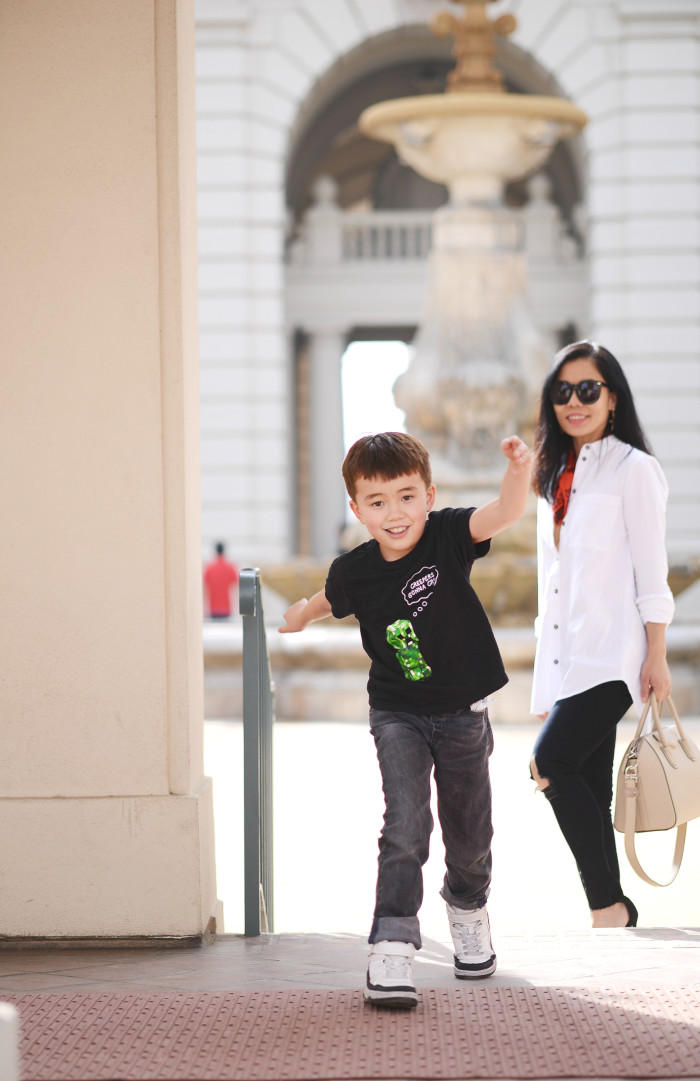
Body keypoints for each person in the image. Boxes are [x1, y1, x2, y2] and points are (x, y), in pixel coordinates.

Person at [279, 430, 531, 1008]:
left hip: (464, 712)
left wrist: (519, 470)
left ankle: (468, 909)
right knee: (405, 825)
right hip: (397, 712)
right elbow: (326, 598)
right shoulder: (355, 570)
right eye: (377, 502)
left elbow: (507, 511)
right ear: (357, 509)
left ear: (429, 494)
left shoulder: (447, 535)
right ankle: (392, 941)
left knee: (469, 835)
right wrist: (299, 614)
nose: (395, 513)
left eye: (407, 496)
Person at [529, 340, 674, 929]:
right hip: (571, 661)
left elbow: (651, 569)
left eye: (588, 389)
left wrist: (657, 654)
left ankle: (608, 907)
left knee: (548, 765)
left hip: (615, 656)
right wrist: (547, 687)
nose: (575, 402)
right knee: (587, 782)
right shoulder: (555, 479)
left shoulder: (634, 470)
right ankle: (613, 913)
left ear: (612, 398)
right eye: (562, 392)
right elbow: (553, 594)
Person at [203, 542, 240, 619]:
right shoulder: (230, 567)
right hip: (226, 607)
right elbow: (236, 586)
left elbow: (204, 588)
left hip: (213, 607)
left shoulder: (209, 568)